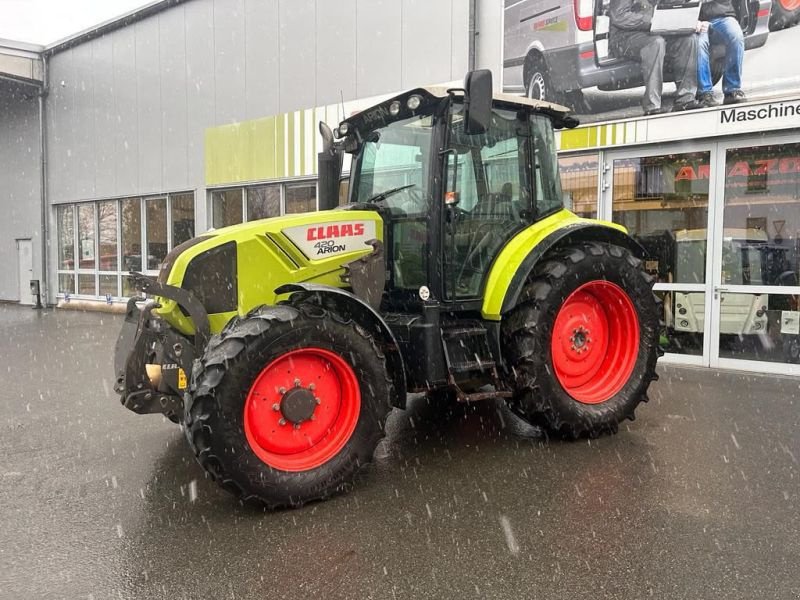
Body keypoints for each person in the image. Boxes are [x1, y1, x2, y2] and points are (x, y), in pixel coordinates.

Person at [609, 0, 701, 115]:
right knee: (656, 43)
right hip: (625, 37)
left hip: (656, 31)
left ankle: (686, 99)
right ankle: (652, 106)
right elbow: (619, 16)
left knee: (688, 39)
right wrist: (651, 20)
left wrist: (687, 17)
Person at [695, 0, 746, 106]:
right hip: (695, 20)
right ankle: (704, 94)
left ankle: (732, 89)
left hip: (722, 15)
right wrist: (692, 20)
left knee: (736, 36)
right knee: (698, 43)